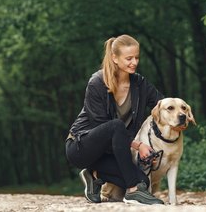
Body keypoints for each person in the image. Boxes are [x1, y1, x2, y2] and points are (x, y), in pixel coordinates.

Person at [65, 34, 164, 205]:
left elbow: (163, 104)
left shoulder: (140, 84)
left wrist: (179, 116)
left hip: (107, 154)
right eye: (129, 58)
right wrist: (138, 145)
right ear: (114, 58)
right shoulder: (97, 82)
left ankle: (93, 174)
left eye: (136, 57)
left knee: (144, 181)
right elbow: (102, 125)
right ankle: (132, 192)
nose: (134, 62)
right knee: (116, 126)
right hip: (81, 146)